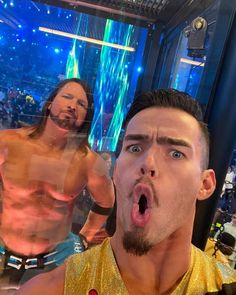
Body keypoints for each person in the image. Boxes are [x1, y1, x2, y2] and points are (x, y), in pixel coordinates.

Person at [17, 89, 236, 295]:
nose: (148, 163)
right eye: (135, 148)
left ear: (205, 184)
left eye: (176, 153)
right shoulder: (51, 289)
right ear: (115, 171)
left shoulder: (227, 285)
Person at [0, 78, 114, 289]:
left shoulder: (89, 162)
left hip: (53, 263)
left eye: (81, 104)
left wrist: (84, 238)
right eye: (67, 97)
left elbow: (106, 201)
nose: (72, 105)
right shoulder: (8, 142)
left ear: (85, 116)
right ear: (50, 103)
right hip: (3, 255)